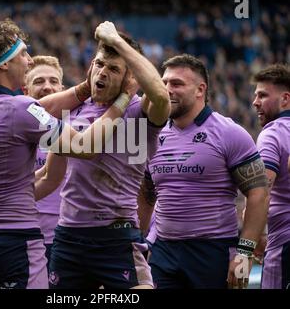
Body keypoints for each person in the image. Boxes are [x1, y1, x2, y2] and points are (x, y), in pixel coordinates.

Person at [0, 18, 135, 289]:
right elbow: (85, 147)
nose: (28, 60)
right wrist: (123, 101)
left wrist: (83, 89)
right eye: (23, 54)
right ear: (4, 64)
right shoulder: (19, 109)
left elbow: (35, 110)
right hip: (12, 243)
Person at [48, 21, 170, 289]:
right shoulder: (75, 106)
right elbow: (33, 110)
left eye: (114, 69)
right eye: (100, 64)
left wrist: (116, 41)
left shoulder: (141, 113)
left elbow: (161, 95)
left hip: (116, 236)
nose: (103, 73)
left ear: (130, 78)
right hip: (69, 235)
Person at [140, 54, 268, 289]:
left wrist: (245, 253)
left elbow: (259, 193)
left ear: (200, 90)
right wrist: (138, 243)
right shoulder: (151, 134)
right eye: (164, 83)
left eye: (177, 84)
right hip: (163, 250)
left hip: (212, 251)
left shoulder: (229, 133)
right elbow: (146, 192)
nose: (167, 89)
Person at [23, 55, 65, 267]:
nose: (47, 87)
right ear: (25, 90)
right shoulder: (14, 134)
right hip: (26, 240)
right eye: (39, 81)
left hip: (71, 242)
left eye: (53, 81)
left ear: (63, 88)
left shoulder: (82, 129)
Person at [251, 64, 290, 289]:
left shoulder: (273, 133)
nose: (255, 102)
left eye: (263, 95)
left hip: (283, 247)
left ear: (285, 99)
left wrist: (250, 243)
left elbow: (260, 194)